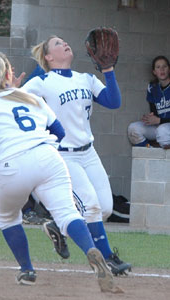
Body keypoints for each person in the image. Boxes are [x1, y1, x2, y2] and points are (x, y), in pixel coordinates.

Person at [0, 52, 121, 293]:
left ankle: (27, 270)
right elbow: (58, 131)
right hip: (49, 157)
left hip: (12, 165)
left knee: (7, 218)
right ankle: (91, 250)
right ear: (9, 75)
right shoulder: (30, 98)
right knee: (68, 213)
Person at [22, 35, 132, 275]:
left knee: (104, 208)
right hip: (63, 156)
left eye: (64, 41)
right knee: (91, 206)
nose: (65, 43)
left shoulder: (87, 79)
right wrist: (11, 90)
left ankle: (60, 226)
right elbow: (16, 102)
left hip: (88, 153)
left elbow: (113, 102)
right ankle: (107, 259)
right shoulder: (42, 81)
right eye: (58, 43)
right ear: (49, 57)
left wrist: (108, 70)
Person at [128, 55, 170, 148]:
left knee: (162, 131)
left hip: (165, 129)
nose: (162, 70)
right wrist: (150, 118)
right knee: (133, 129)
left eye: (164, 66)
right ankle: (150, 150)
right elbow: (154, 112)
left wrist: (159, 120)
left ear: (169, 69)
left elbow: (159, 120)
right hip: (160, 127)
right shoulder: (152, 87)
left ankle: (164, 158)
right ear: (154, 72)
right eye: (158, 67)